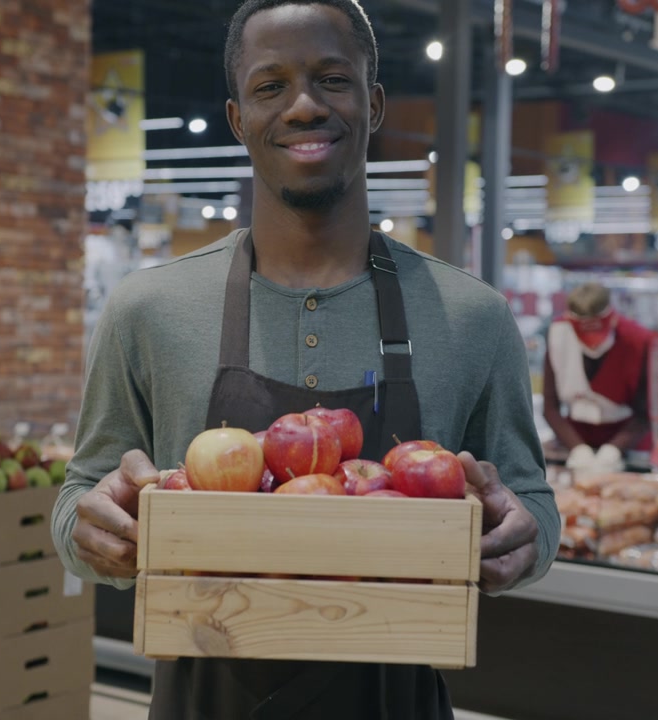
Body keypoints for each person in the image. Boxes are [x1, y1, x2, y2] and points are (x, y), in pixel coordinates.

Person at [52, 1, 559, 716]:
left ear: (373, 102)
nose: (302, 106)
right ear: (237, 118)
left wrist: (522, 541)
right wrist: (92, 529)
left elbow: (534, 502)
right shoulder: (149, 310)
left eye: (332, 79)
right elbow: (77, 494)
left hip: (397, 697)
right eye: (270, 86)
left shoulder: (471, 316)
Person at [542, 282, 658, 475]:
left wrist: (614, 449)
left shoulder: (638, 340)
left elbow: (646, 412)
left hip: (627, 436)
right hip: (574, 435)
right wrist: (578, 448)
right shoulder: (558, 336)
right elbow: (550, 407)